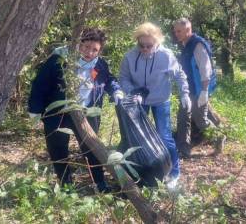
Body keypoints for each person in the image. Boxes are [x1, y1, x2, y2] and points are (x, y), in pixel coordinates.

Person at [28, 28, 124, 192]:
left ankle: (100, 183)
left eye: (95, 50)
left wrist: (116, 90)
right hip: (58, 112)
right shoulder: (59, 59)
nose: (89, 52)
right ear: (79, 43)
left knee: (92, 147)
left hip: (86, 112)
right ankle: (66, 184)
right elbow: (40, 84)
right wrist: (34, 110)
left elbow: (108, 79)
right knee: (57, 148)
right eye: (86, 47)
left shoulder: (99, 64)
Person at [119, 22, 191, 189]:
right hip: (138, 102)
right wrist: (133, 92)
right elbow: (123, 78)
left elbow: (180, 75)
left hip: (160, 100)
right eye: (141, 45)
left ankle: (174, 173)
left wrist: (185, 94)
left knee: (164, 136)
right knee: (136, 137)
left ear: (157, 43)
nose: (144, 49)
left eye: (148, 46)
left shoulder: (166, 56)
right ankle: (141, 171)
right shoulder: (130, 56)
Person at [173, 18, 216, 156]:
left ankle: (219, 137)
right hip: (188, 90)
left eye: (179, 31)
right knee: (183, 118)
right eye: (175, 31)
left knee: (201, 120)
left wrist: (204, 91)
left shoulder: (198, 45)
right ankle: (183, 149)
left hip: (199, 90)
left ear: (188, 30)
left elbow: (206, 69)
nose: (176, 34)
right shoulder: (186, 45)